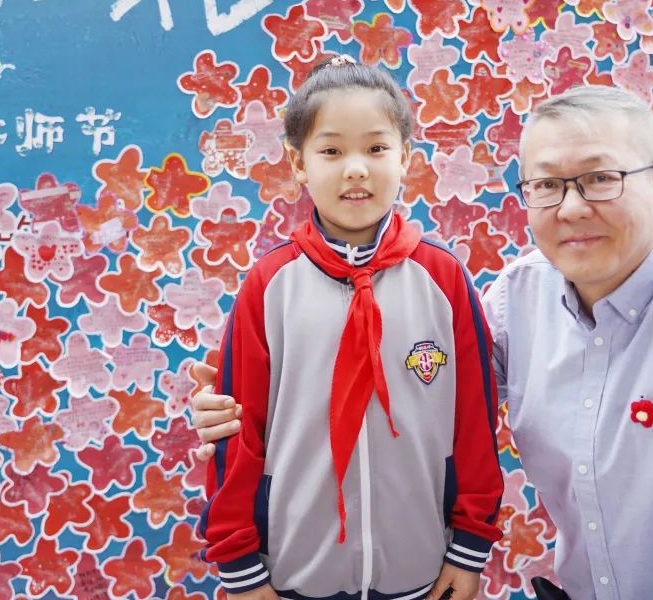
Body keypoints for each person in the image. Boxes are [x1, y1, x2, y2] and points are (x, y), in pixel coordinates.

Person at [192, 85, 653, 599]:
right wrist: (247, 398)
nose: (572, 207)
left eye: (600, 178)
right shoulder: (514, 300)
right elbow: (435, 383)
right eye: (547, 185)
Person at [197, 55, 503, 600]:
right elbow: (236, 433)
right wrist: (241, 566)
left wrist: (470, 547)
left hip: (421, 568)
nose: (356, 168)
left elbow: (474, 420)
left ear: (406, 157)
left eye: (377, 148)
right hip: (295, 572)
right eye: (332, 151)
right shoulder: (269, 285)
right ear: (298, 163)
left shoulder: (444, 277)